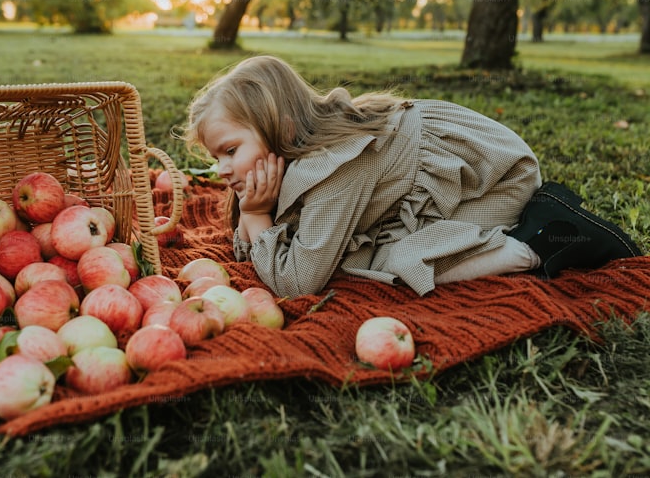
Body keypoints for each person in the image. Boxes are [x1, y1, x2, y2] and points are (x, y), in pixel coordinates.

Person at [181, 55, 642, 298]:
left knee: (380, 261)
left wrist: (258, 215)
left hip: (492, 180)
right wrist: (255, 213)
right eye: (216, 157)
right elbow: (254, 251)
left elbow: (298, 280)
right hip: (439, 181)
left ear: (279, 128)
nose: (221, 169)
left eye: (230, 151)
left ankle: (534, 243)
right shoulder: (290, 158)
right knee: (344, 248)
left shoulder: (336, 167)